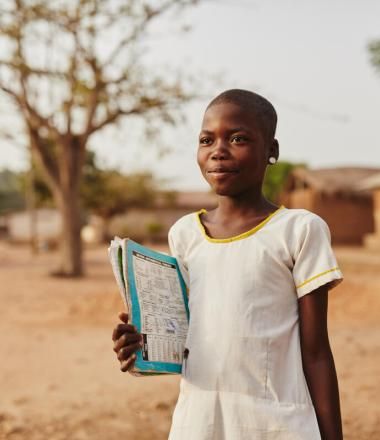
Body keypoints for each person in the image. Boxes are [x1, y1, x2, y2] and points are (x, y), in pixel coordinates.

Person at [112, 89, 343, 440]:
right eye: (207, 140)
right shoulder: (185, 234)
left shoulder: (299, 230)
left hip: (275, 424)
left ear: (272, 151)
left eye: (238, 138)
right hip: (198, 422)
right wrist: (140, 346)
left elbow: (316, 353)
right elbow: (187, 343)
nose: (218, 151)